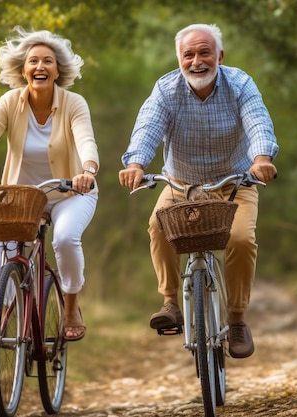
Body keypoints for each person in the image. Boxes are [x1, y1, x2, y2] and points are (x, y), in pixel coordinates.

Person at [118, 23, 278, 359]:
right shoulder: (166, 90)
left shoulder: (240, 85)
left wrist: (262, 158)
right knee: (158, 226)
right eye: (188, 54)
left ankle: (236, 320)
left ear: (219, 55)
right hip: (180, 185)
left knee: (240, 240)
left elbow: (258, 121)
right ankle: (171, 302)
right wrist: (135, 164)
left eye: (204, 52)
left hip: (233, 185)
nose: (196, 61)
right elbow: (148, 127)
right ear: (179, 58)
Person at [0, 27, 99, 345]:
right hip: (21, 198)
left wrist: (88, 171)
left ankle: (71, 308)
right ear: (23, 69)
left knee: (65, 239)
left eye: (48, 61)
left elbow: (86, 142)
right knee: (0, 245)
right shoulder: (10, 102)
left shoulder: (74, 103)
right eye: (33, 61)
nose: (40, 67)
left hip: (70, 192)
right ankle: (0, 315)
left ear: (58, 70)